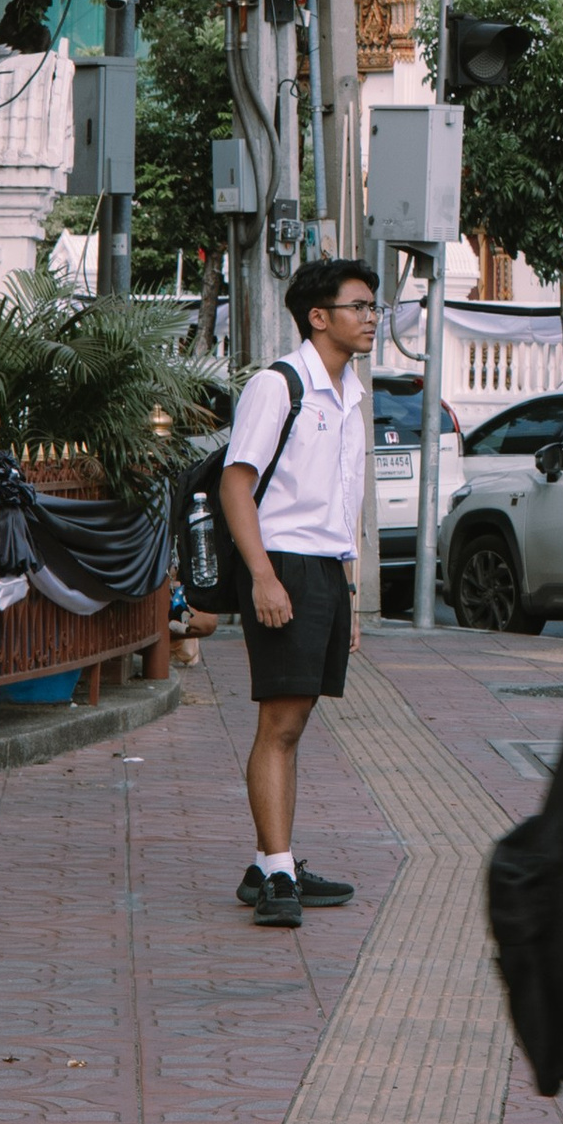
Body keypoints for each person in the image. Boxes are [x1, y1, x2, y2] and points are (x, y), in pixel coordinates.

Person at [218, 253, 377, 933]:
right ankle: (278, 871)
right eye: (358, 307)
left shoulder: (353, 397)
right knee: (278, 724)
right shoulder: (279, 386)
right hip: (281, 565)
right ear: (319, 317)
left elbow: (345, 508)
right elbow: (236, 483)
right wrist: (262, 577)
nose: (371, 319)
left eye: (374, 308)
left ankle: (267, 863)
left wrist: (350, 595)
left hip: (324, 572)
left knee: (296, 721)